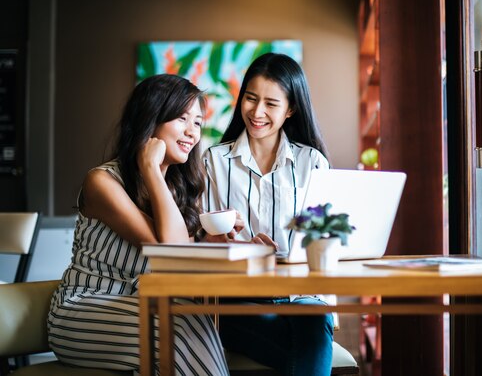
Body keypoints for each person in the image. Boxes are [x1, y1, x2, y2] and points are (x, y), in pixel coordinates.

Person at [47, 74, 230, 376]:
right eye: (181, 118)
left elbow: (183, 256)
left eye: (197, 122)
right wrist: (150, 169)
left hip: (146, 308)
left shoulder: (177, 189)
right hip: (84, 311)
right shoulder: (102, 182)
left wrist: (220, 241)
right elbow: (171, 253)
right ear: (151, 119)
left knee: (190, 319)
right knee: (181, 324)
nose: (191, 132)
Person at [202, 52, 334, 376]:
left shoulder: (313, 163)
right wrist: (221, 242)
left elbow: (325, 244)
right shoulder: (213, 161)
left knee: (313, 323)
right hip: (237, 298)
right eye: (250, 98)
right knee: (311, 341)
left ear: (290, 109)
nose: (257, 112)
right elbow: (196, 238)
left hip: (301, 297)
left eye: (271, 104)